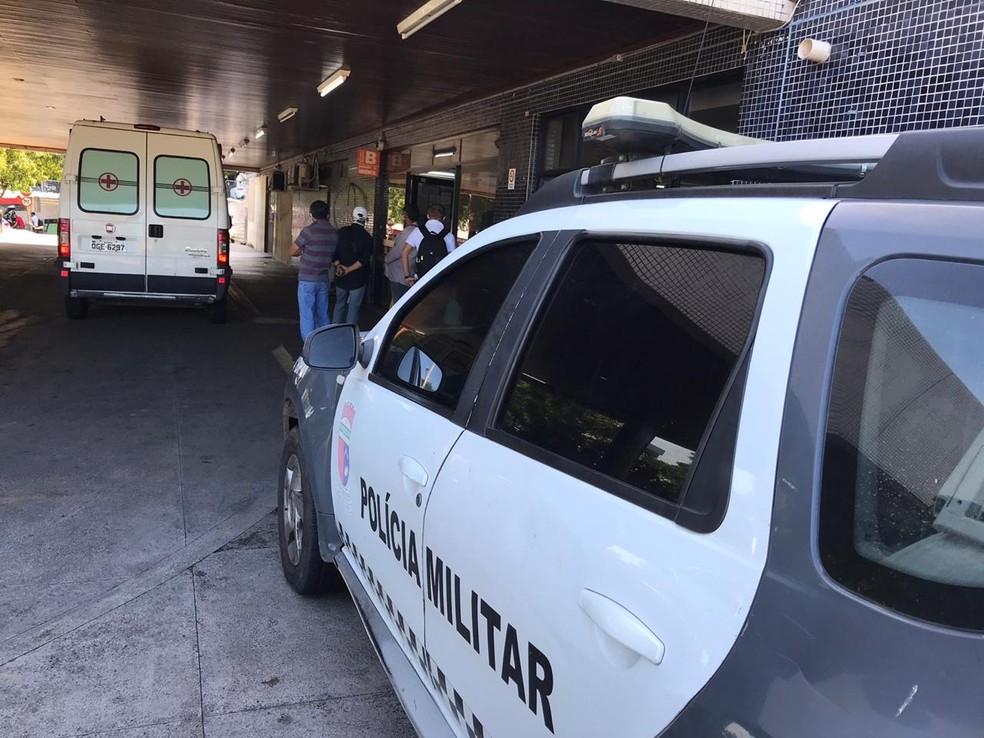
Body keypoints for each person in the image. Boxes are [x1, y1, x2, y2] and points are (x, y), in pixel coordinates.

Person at [290, 199, 337, 341]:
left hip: (307, 280)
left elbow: (292, 251)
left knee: (307, 314)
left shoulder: (308, 231)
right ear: (327, 215)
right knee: (322, 313)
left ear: (311, 215)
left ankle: (310, 346)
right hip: (323, 279)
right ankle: (325, 342)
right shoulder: (334, 233)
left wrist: (301, 251)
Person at [332, 206, 374, 326]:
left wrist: (339, 266)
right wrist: (348, 269)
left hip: (340, 277)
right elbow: (363, 260)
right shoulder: (368, 238)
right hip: (358, 279)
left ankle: (333, 330)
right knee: (353, 307)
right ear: (365, 220)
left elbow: (333, 252)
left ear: (353, 217)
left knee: (339, 304)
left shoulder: (341, 232)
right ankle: (349, 334)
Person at [402, 203, 456, 288]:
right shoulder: (449, 236)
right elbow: (452, 260)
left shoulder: (418, 231)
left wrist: (407, 276)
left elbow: (404, 253)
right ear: (444, 218)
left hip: (420, 279)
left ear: (427, 216)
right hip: (439, 280)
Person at [385, 204, 418, 304]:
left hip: (400, 274)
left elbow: (398, 251)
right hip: (409, 271)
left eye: (404, 215)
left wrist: (386, 258)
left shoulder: (408, 232)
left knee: (398, 303)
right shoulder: (418, 231)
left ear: (406, 216)